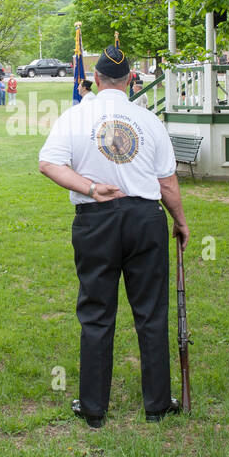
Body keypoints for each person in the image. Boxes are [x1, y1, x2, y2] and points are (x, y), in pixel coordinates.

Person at [38, 42, 189, 428]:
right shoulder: (149, 120)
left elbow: (48, 163)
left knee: (96, 313)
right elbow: (167, 183)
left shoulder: (74, 117)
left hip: (96, 220)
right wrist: (180, 221)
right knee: (151, 313)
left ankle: (93, 408)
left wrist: (90, 189)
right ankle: (156, 404)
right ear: (129, 81)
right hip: (144, 219)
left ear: (97, 79)